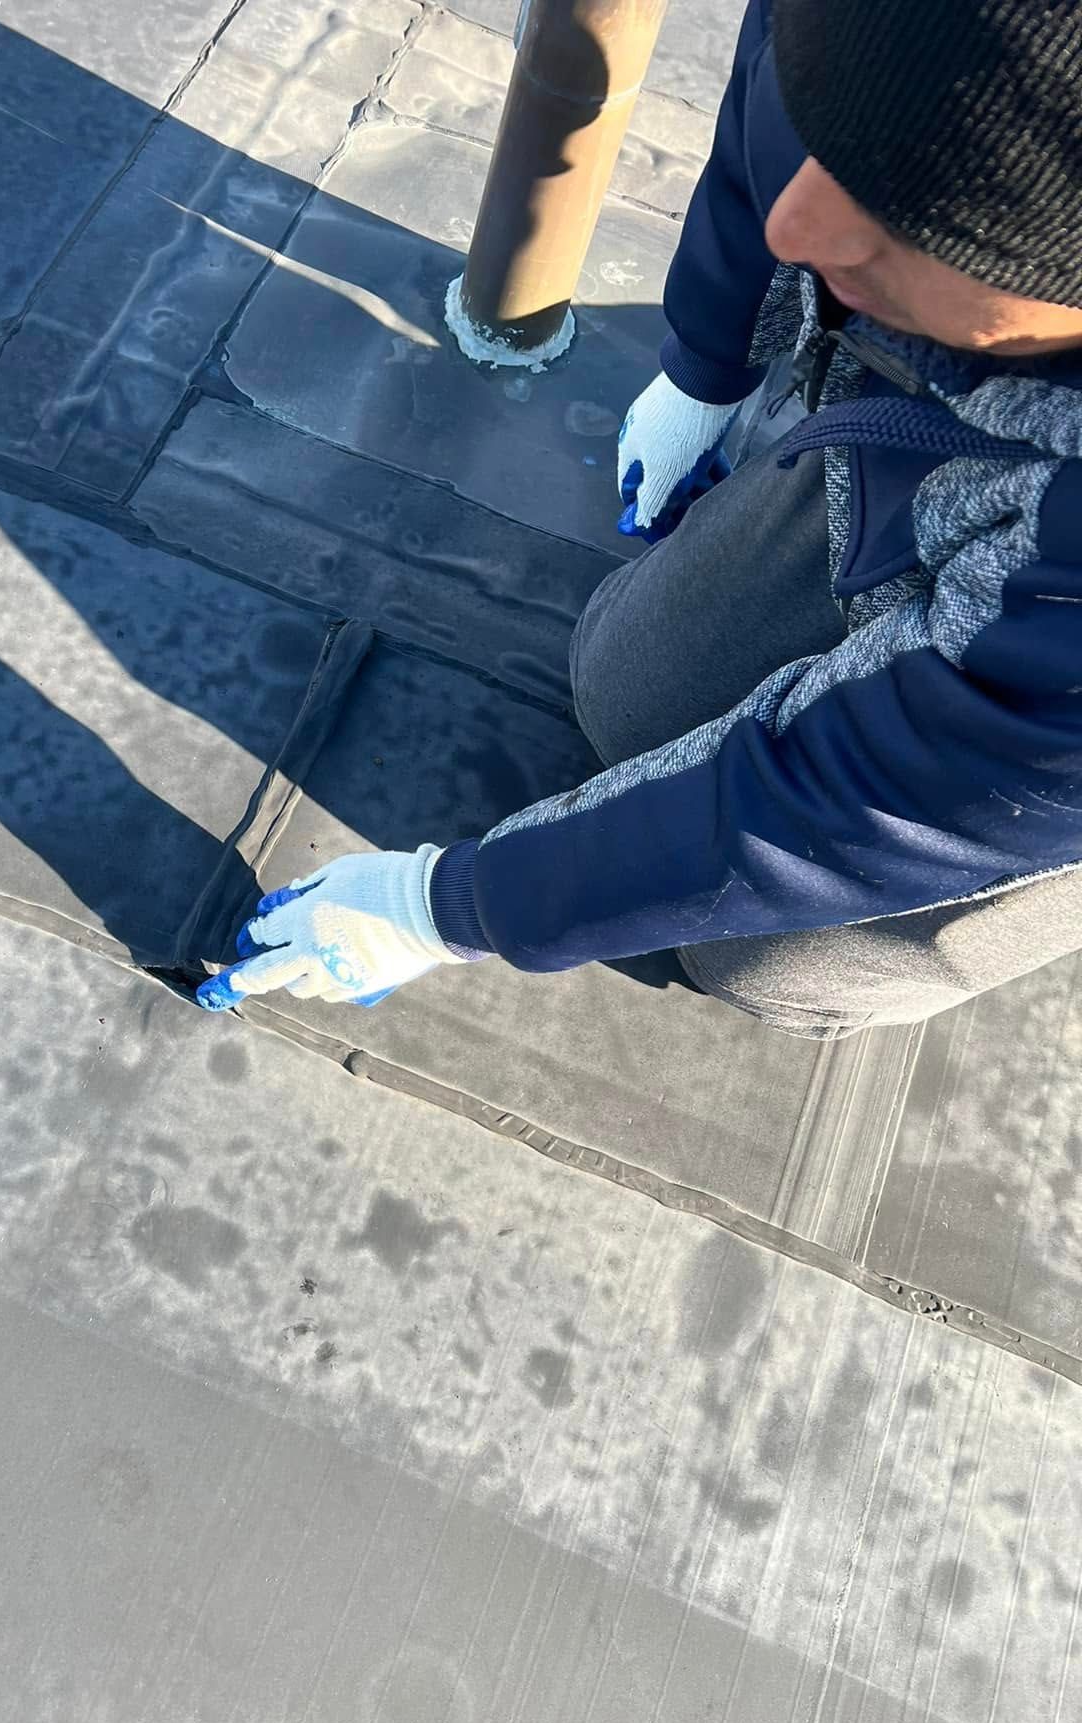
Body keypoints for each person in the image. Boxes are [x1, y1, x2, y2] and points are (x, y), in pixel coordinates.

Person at [198, 0, 1082, 1041]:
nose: (792, 229)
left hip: (1047, 722)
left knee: (774, 966)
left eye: (925, 216)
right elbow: (779, 89)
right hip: (942, 435)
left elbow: (858, 798)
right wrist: (706, 359)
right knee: (622, 684)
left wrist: (449, 908)